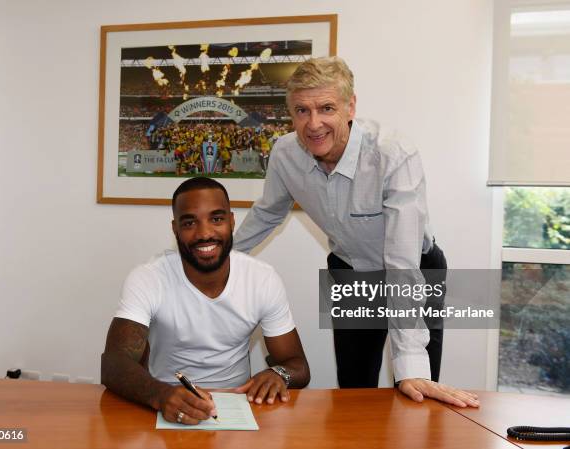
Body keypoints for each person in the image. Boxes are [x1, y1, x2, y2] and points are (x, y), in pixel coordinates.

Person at [234, 56, 479, 408]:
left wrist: (408, 362)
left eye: (326, 108)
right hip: (352, 271)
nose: (314, 124)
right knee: (354, 389)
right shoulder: (285, 154)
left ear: (351, 106)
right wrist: (212, 255)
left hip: (413, 269)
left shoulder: (393, 154)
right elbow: (267, 214)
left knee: (416, 389)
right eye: (302, 111)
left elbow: (400, 262)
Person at [101, 177, 310, 425]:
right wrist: (160, 395)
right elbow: (113, 365)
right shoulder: (148, 278)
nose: (205, 233)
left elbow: (299, 366)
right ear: (175, 229)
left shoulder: (262, 279)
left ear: (232, 221)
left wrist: (279, 374)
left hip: (240, 405)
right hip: (165, 401)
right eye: (189, 222)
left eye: (217, 219)